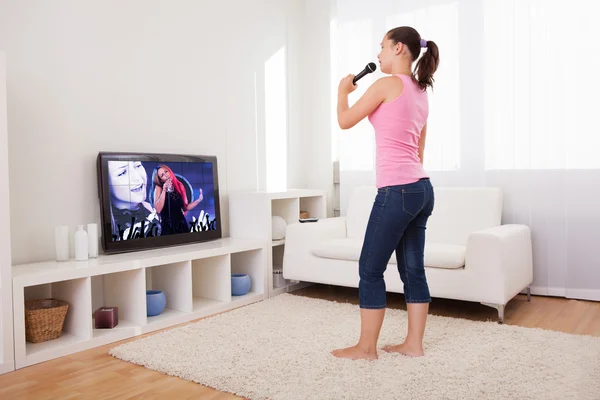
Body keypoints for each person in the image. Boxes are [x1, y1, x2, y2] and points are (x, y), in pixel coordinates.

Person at [331, 26, 440, 360]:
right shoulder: (420, 92)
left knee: (370, 268)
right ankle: (413, 345)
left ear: (398, 49)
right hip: (422, 189)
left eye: (382, 47)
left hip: (398, 191)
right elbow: (419, 151)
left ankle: (366, 348)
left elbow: (345, 120)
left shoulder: (385, 84)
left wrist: (341, 92)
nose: (378, 54)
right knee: (413, 271)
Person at [108, 161, 161, 240]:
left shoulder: (151, 208)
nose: (137, 178)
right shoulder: (112, 228)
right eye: (122, 173)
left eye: (138, 166)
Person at [151, 164, 203, 235]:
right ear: (160, 180)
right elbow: (158, 209)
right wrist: (164, 190)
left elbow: (185, 208)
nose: (166, 175)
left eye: (166, 171)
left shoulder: (180, 185)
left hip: (181, 224)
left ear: (170, 171)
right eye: (162, 175)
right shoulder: (159, 187)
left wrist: (199, 200)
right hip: (167, 226)